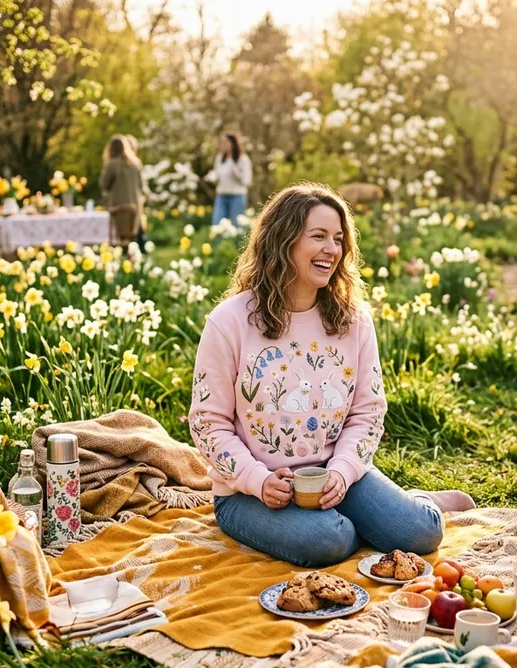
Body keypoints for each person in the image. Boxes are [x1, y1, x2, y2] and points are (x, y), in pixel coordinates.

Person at [187, 183, 473, 568]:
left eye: (338, 239)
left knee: (420, 533)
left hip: (335, 475)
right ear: (282, 240)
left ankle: (415, 502)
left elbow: (368, 412)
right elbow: (208, 423)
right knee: (330, 540)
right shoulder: (229, 322)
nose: (332, 249)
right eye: (318, 236)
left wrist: (343, 470)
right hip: (247, 493)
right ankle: (359, 519)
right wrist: (256, 479)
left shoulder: (352, 319)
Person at [99, 135, 145, 249]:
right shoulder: (136, 164)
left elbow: (104, 185)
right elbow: (141, 185)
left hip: (118, 207)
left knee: (118, 240)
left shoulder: (112, 164)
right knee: (131, 238)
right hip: (135, 207)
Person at [205, 132, 252, 227]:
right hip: (222, 196)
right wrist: (210, 177)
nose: (223, 145)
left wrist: (236, 173)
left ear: (233, 143)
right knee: (217, 224)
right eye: (222, 142)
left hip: (237, 196)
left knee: (237, 226)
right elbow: (217, 173)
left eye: (226, 142)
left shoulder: (243, 159)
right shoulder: (220, 158)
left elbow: (247, 181)